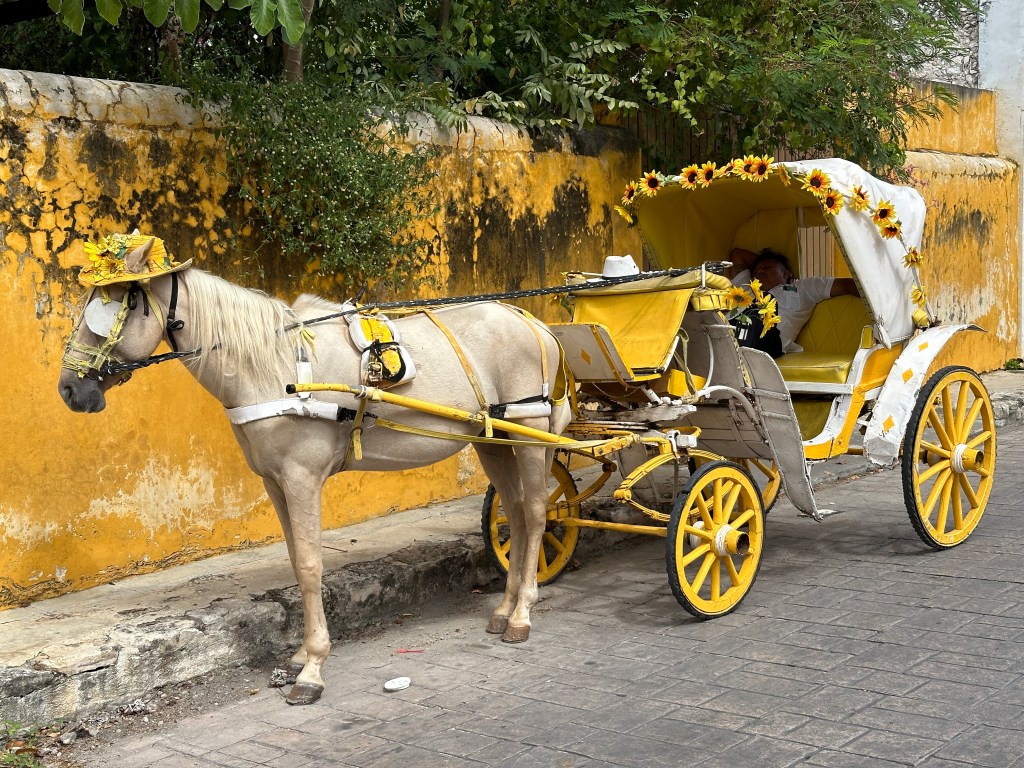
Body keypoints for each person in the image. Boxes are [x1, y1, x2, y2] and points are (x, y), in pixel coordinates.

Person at [729, 247, 859, 355]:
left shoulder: (802, 288)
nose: (760, 271)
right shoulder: (747, 287)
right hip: (730, 330)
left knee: (762, 306)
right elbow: (738, 254)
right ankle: (730, 347)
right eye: (756, 271)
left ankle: (736, 354)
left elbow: (846, 285)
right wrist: (763, 263)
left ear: (786, 274)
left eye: (767, 267)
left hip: (766, 342)